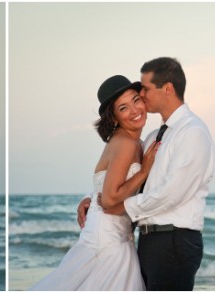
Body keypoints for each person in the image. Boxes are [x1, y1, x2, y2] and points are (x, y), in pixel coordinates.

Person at [79, 57, 215, 290]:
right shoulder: (152, 138)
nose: (141, 96)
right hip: (147, 241)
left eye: (145, 89)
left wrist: (116, 206)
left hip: (174, 241)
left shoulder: (192, 132)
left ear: (167, 89)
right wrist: (93, 200)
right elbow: (127, 181)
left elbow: (171, 194)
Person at [30, 75, 159, 290]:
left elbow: (104, 186)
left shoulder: (132, 142)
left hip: (116, 234)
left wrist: (88, 197)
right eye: (124, 108)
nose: (135, 110)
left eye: (136, 100)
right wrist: (144, 171)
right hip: (108, 239)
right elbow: (109, 200)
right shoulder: (125, 143)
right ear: (115, 118)